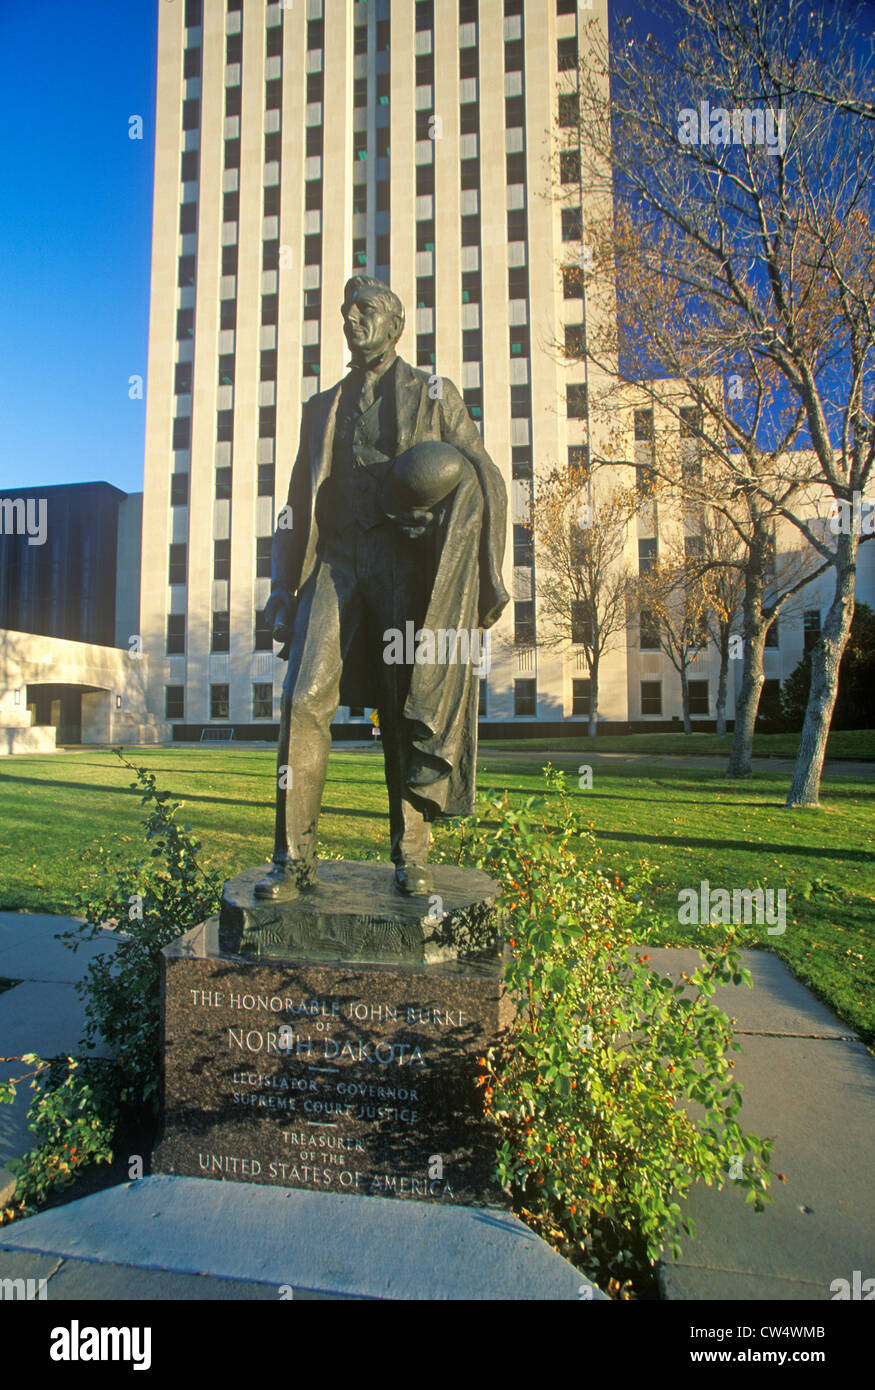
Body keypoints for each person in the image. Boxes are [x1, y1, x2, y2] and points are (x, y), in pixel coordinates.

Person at [255, 275, 508, 900]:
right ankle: (292, 861)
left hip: (402, 565)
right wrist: (282, 583)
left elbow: (479, 468)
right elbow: (294, 504)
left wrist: (446, 508)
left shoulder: (434, 392)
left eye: (365, 309)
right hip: (336, 563)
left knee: (404, 706)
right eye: (346, 310)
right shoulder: (321, 409)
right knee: (301, 701)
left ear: (396, 324)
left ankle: (411, 856)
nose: (351, 317)